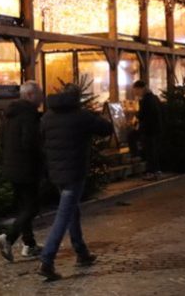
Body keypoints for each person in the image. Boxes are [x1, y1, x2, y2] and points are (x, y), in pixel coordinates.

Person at [37, 83, 113, 281]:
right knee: (63, 215)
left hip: (56, 173)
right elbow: (106, 129)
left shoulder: (47, 116)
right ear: (77, 98)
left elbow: (41, 140)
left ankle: (81, 251)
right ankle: (47, 259)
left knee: (71, 211)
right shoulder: (82, 116)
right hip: (74, 173)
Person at [0, 81, 44, 262]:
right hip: (26, 168)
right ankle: (8, 238)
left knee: (24, 208)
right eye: (40, 94)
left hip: (12, 167)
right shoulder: (28, 115)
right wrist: (42, 159)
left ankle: (29, 244)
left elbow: (3, 140)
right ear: (30, 95)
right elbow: (30, 143)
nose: (42, 98)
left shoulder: (12, 114)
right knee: (32, 207)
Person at [132, 80, 163, 180]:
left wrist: (136, 116)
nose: (136, 93)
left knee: (150, 151)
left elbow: (142, 115)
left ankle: (150, 172)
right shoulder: (155, 98)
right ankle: (157, 171)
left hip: (148, 129)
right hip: (156, 128)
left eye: (136, 90)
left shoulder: (145, 100)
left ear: (141, 88)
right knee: (154, 151)